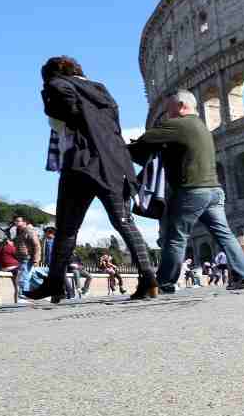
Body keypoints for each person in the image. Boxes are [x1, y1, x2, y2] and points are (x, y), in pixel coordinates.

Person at [28, 56, 158, 303]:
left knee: (67, 228)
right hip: (113, 162)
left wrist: (49, 94)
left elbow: (66, 112)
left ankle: (54, 284)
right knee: (124, 221)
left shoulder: (58, 85)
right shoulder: (102, 91)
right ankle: (149, 278)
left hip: (81, 162)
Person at [128, 90, 244, 293]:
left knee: (176, 237)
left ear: (181, 106)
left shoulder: (178, 125)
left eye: (168, 108)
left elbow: (144, 142)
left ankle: (164, 283)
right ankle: (243, 274)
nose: (166, 113)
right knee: (224, 234)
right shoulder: (201, 127)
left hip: (191, 191)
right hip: (214, 190)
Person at [11, 214, 43, 295]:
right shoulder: (20, 232)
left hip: (27, 258)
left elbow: (37, 245)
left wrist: (36, 259)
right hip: (21, 258)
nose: (16, 223)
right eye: (15, 221)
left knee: (24, 277)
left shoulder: (29, 231)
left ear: (24, 222)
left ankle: (23, 295)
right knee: (30, 277)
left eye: (18, 221)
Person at [0, 238, 21, 302]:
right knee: (16, 285)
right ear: (8, 241)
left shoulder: (0, 249)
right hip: (14, 268)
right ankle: (17, 300)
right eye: (12, 241)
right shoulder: (11, 247)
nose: (13, 243)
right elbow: (18, 256)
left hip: (4, 268)